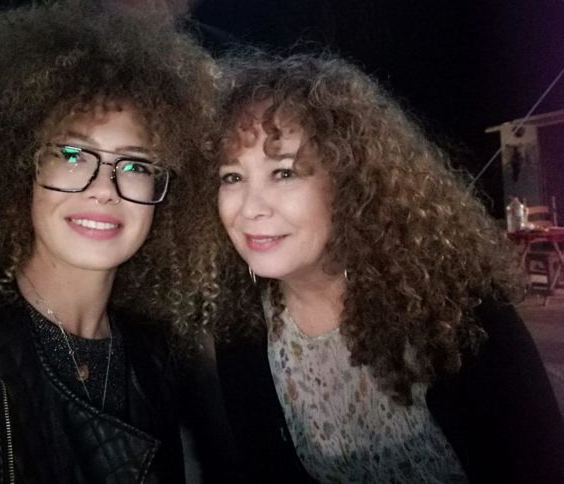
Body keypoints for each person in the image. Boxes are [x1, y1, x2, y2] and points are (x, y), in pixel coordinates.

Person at [185, 53, 564, 483]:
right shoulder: (242, 327)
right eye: (232, 177)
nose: (251, 208)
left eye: (284, 173)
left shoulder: (454, 306)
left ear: (348, 181)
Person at [0, 1, 216, 482]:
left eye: (134, 164)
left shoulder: (157, 362)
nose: (103, 189)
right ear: (20, 168)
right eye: (74, 154)